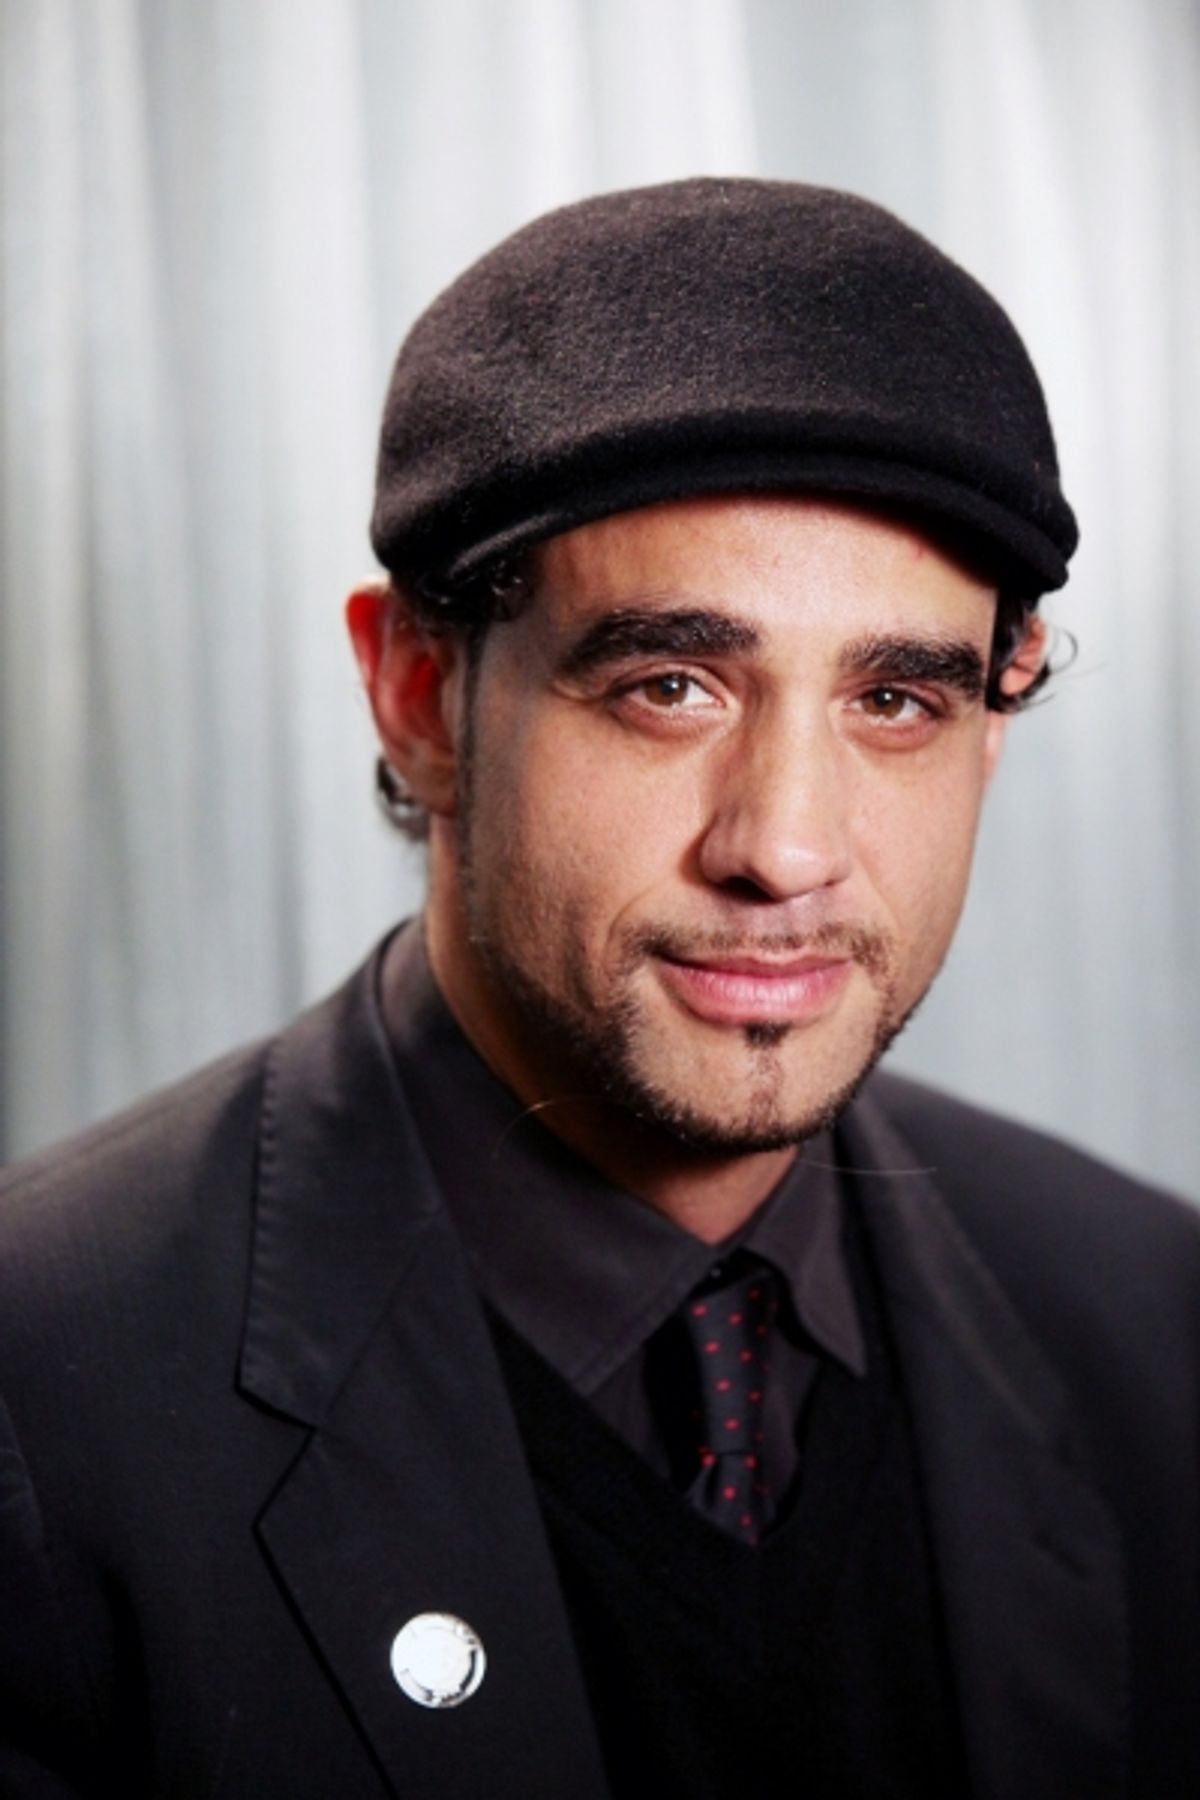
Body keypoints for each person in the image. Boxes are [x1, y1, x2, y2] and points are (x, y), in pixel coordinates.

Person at [1, 178, 1196, 1800]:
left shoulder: (1151, 1316)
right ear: (421, 695)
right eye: (669, 685)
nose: (784, 847)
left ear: (996, 720)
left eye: (898, 697)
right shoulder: (40, 1396)